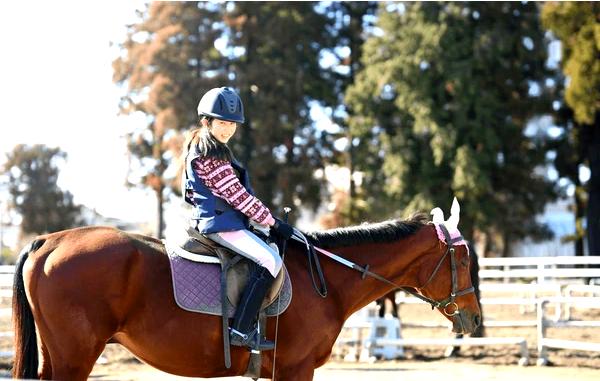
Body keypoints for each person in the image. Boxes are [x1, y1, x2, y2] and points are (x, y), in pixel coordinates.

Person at [181, 87, 294, 351]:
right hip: (220, 224)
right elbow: (237, 197)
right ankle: (241, 330)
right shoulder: (210, 152)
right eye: (222, 122)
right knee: (270, 260)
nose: (228, 129)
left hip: (224, 220)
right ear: (206, 121)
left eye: (232, 123)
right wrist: (273, 222)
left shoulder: (212, 147)